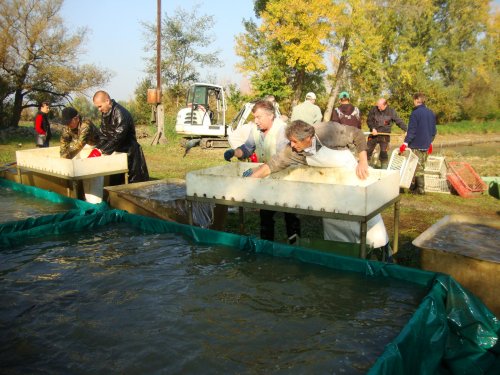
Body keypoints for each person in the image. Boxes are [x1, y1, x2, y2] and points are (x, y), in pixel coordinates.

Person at [243, 120, 391, 257]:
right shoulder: (292, 150)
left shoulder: (328, 131)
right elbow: (272, 165)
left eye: (295, 141)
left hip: (354, 178)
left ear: (308, 138)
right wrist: (249, 181)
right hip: (330, 190)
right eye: (291, 141)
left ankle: (383, 255)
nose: (292, 145)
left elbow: (357, 134)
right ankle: (347, 258)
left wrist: (363, 162)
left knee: (369, 221)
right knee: (336, 225)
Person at [224, 99, 301, 243]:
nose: (256, 121)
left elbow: (281, 160)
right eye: (255, 117)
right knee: (265, 214)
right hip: (266, 179)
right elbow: (247, 149)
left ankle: (295, 246)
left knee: (290, 215)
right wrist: (234, 152)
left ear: (270, 116)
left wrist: (256, 171)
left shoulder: (282, 131)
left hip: (286, 179)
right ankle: (267, 246)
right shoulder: (256, 130)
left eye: (259, 117)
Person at [92, 90, 149, 184]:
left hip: (129, 153)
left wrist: (102, 150)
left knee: (132, 184)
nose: (99, 109)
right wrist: (97, 149)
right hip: (116, 151)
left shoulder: (121, 113)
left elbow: (118, 137)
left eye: (100, 106)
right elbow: (103, 135)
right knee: (115, 183)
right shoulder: (105, 113)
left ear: (107, 101)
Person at [399, 93, 437, 194]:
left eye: (413, 100)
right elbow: (433, 131)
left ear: (416, 100)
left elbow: (412, 131)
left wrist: (405, 143)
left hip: (416, 144)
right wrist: (430, 142)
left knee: (416, 166)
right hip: (426, 144)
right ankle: (415, 187)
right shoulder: (431, 113)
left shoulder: (415, 113)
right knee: (422, 165)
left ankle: (420, 188)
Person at [366, 98, 407, 169]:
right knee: (367, 151)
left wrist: (406, 129)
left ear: (385, 105)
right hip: (374, 134)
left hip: (385, 135)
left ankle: (384, 170)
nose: (378, 108)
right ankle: (365, 167)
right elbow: (369, 120)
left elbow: (398, 121)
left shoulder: (391, 112)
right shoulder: (374, 110)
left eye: (379, 106)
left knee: (383, 154)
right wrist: (372, 128)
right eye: (377, 106)